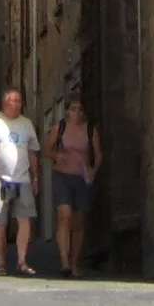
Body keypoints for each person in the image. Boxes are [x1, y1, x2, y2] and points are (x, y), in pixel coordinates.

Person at [0, 86, 40, 276]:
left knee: (25, 221)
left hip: (23, 178)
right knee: (0, 222)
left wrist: (35, 177)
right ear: (4, 102)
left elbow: (33, 151)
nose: (17, 104)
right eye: (13, 100)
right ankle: (1, 263)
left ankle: (21, 261)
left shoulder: (26, 124)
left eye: (19, 100)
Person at [44, 94, 102, 278]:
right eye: (73, 108)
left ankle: (75, 261)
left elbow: (99, 154)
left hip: (82, 178)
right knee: (64, 216)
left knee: (78, 223)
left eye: (80, 109)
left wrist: (93, 169)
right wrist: (56, 156)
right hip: (62, 176)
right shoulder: (59, 128)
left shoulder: (90, 129)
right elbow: (47, 150)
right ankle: (65, 263)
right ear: (67, 111)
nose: (76, 112)